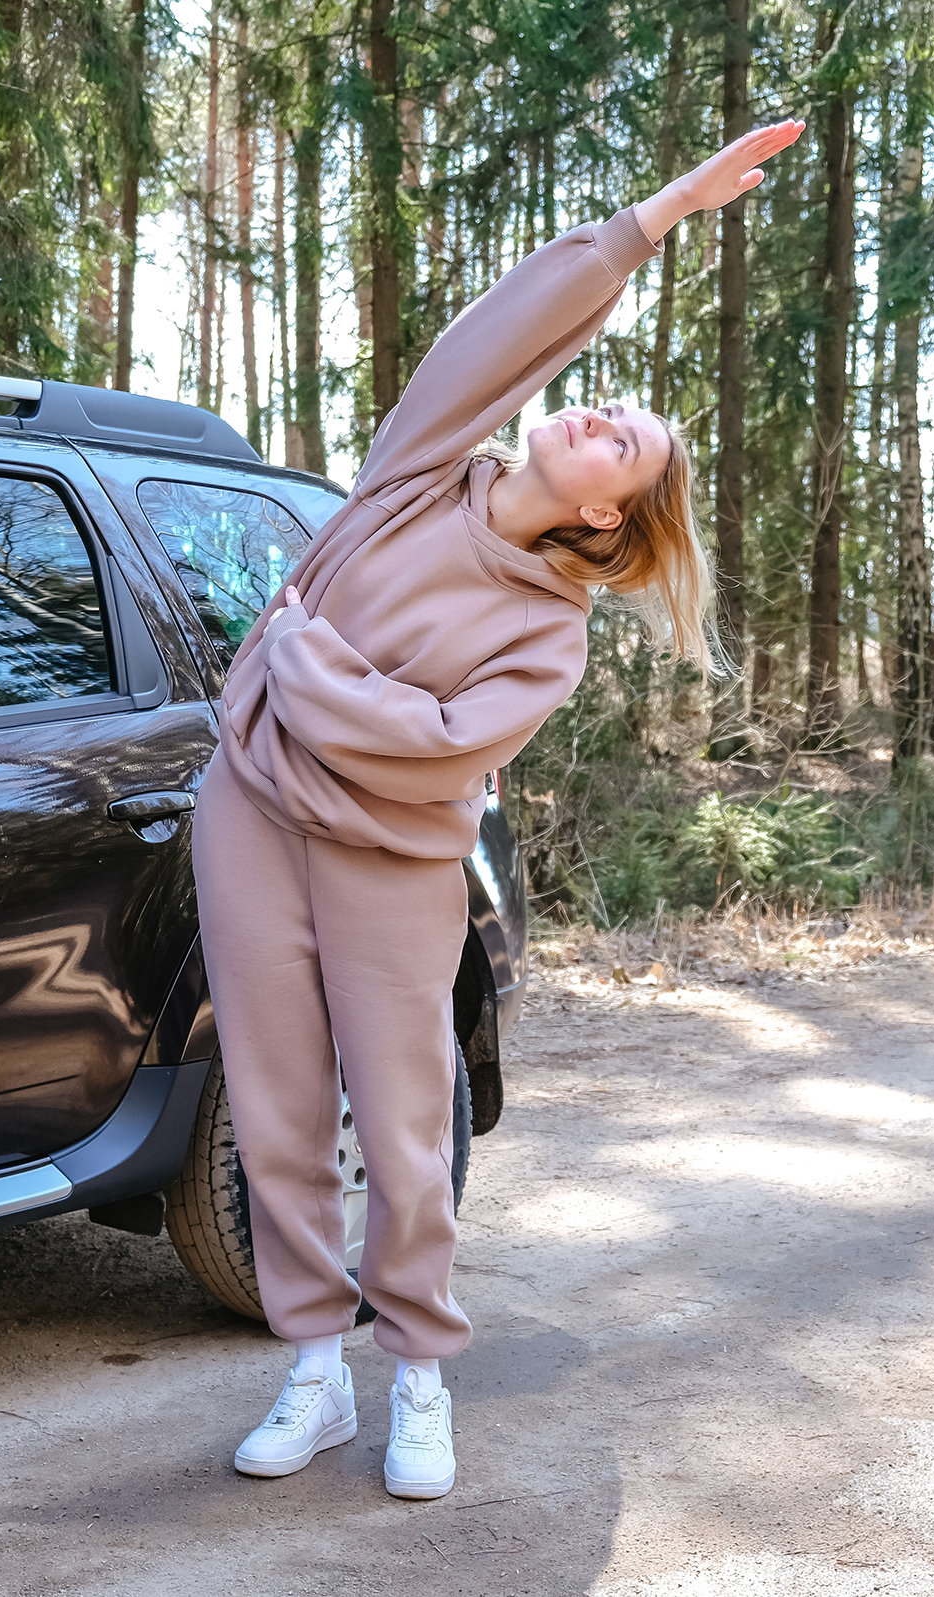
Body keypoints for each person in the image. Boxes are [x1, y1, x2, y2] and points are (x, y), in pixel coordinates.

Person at [192, 119, 805, 1499]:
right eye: (613, 403)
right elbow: (512, 327)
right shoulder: (421, 466)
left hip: (392, 860)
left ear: (608, 521)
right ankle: (311, 1368)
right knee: (273, 1100)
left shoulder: (552, 630)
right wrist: (653, 219)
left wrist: (304, 659)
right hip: (248, 811)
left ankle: (416, 1372)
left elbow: (439, 749)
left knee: (403, 1116)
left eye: (628, 442)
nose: (599, 413)